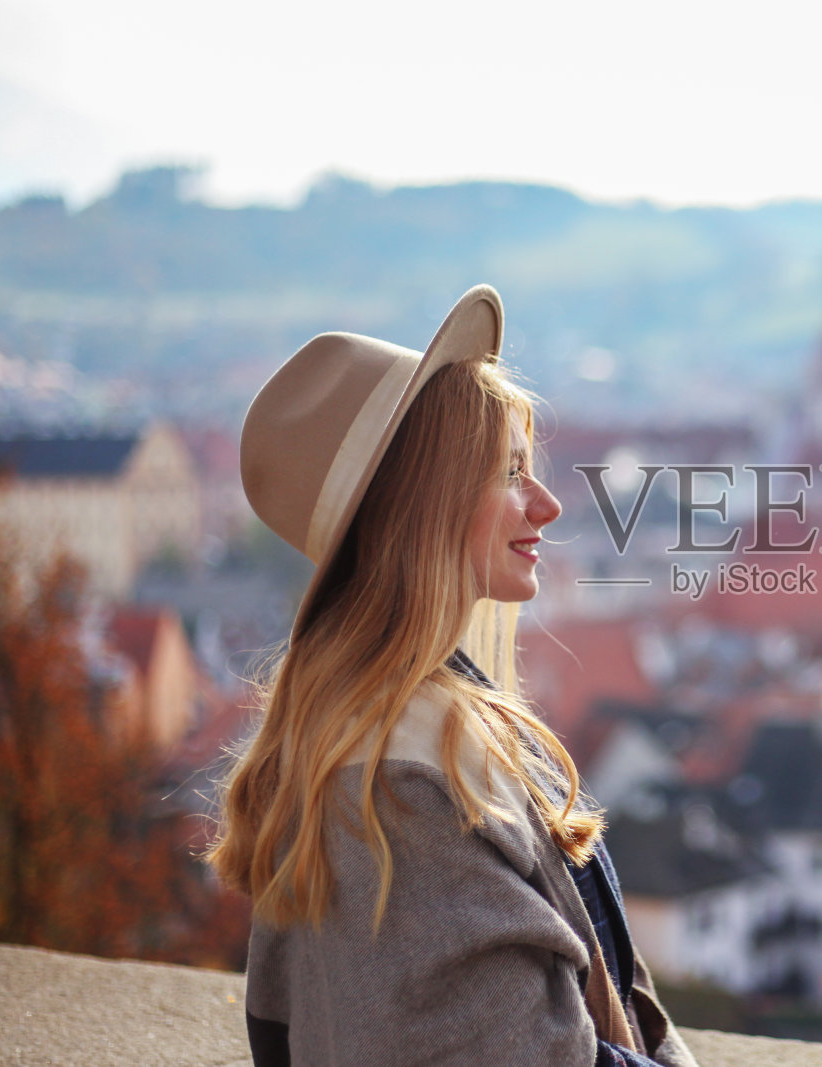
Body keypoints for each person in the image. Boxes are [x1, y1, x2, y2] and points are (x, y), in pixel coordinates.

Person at [208, 286, 699, 1067]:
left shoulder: (403, 721)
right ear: (423, 504)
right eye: (508, 472)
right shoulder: (401, 780)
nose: (545, 504)